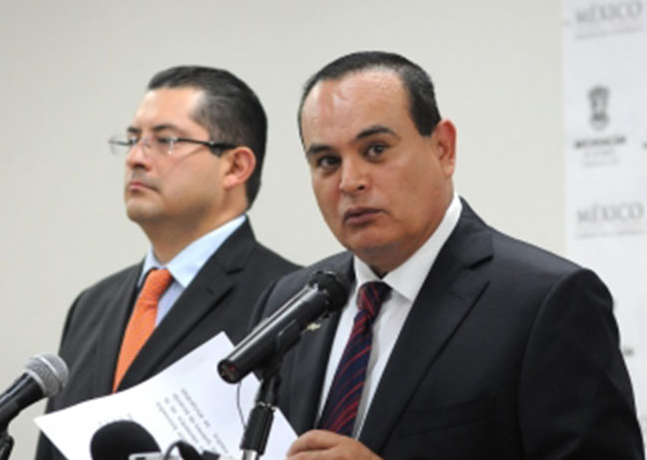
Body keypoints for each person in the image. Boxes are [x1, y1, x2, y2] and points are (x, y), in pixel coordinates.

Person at [253, 51, 643, 459]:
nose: (350, 182)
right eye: (328, 161)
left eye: (376, 149)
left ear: (443, 148)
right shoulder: (287, 303)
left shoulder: (547, 303)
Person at [35, 66, 298, 460]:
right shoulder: (91, 305)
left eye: (165, 140)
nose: (135, 159)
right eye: (132, 140)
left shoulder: (290, 301)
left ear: (235, 166)